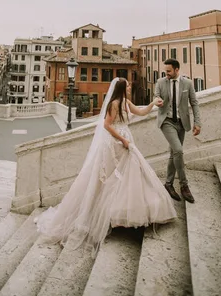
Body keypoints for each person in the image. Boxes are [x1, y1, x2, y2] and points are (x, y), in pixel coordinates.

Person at [36, 77, 177, 256]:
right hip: (115, 144)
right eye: (127, 85)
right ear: (120, 87)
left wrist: (153, 104)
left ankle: (121, 212)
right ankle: (108, 215)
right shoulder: (114, 104)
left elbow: (141, 113)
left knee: (129, 174)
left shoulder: (126, 102)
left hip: (126, 141)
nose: (129, 86)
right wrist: (123, 139)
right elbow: (107, 125)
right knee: (111, 177)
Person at [155, 58, 202, 203]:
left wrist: (197, 123)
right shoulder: (161, 82)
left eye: (169, 71)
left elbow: (194, 103)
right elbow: (155, 95)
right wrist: (158, 100)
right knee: (179, 150)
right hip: (167, 121)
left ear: (176, 70)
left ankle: (168, 184)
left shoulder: (187, 83)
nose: (166, 73)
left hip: (182, 123)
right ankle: (184, 185)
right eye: (165, 71)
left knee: (174, 153)